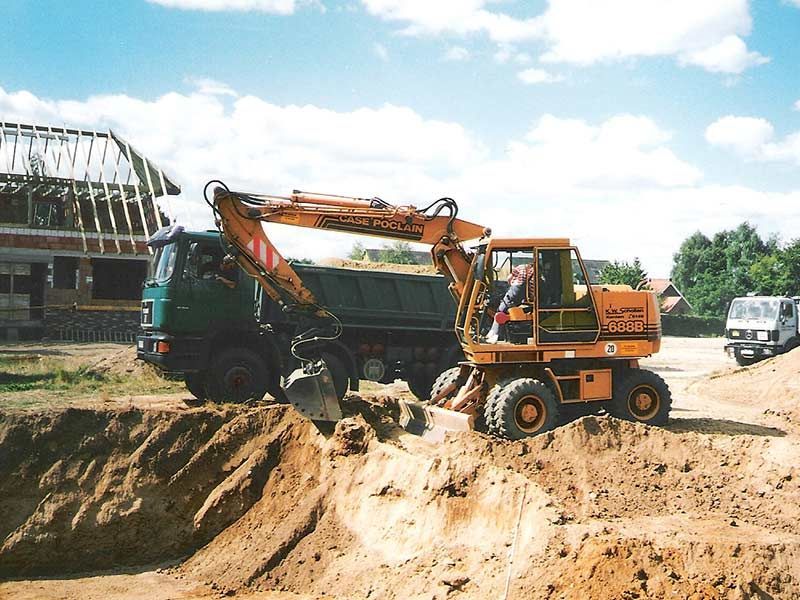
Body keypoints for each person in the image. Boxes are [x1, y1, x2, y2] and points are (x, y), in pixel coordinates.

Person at [485, 262, 534, 343]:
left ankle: (494, 334)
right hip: (523, 294)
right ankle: (494, 333)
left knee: (500, 311)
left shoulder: (521, 266)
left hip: (515, 289)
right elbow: (532, 289)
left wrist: (510, 285)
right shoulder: (535, 272)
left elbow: (509, 277)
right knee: (506, 310)